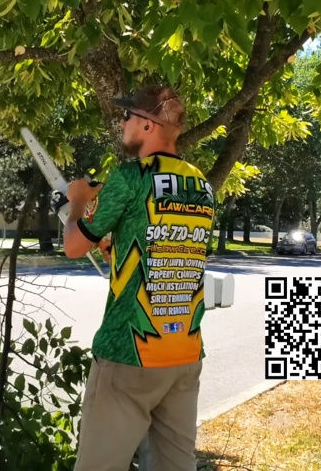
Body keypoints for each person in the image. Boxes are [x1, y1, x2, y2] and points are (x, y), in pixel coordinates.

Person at [63, 86, 217, 471]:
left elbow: (73, 246)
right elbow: (168, 250)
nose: (122, 122)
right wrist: (115, 250)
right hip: (183, 351)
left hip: (128, 353)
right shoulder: (201, 185)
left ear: (148, 125)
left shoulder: (130, 177)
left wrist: (78, 201)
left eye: (128, 116)